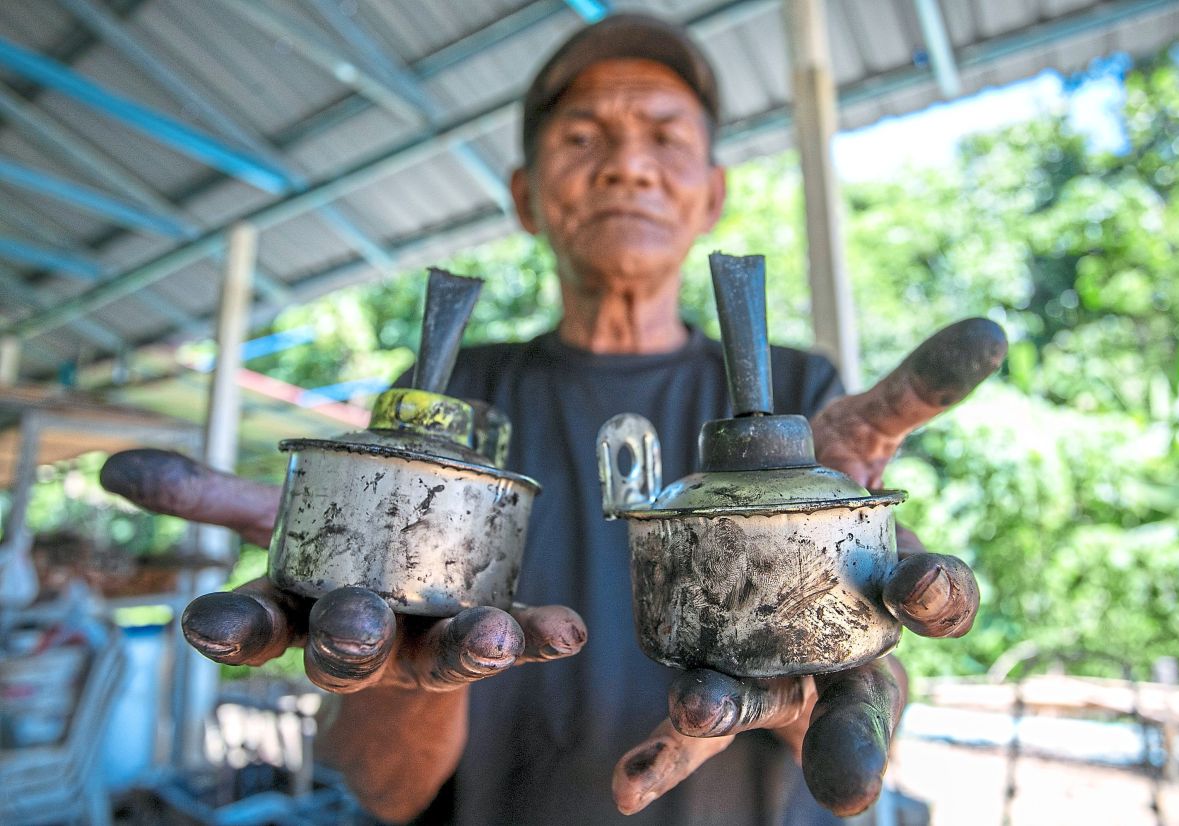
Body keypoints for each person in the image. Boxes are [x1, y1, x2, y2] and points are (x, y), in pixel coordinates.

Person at [101, 13, 1003, 825]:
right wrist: (392, 652)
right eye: (583, 136)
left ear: (712, 194)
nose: (626, 163)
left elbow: (850, 747)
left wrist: (830, 658)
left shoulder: (801, 398)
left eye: (664, 136)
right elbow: (382, 787)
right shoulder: (452, 402)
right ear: (527, 196)